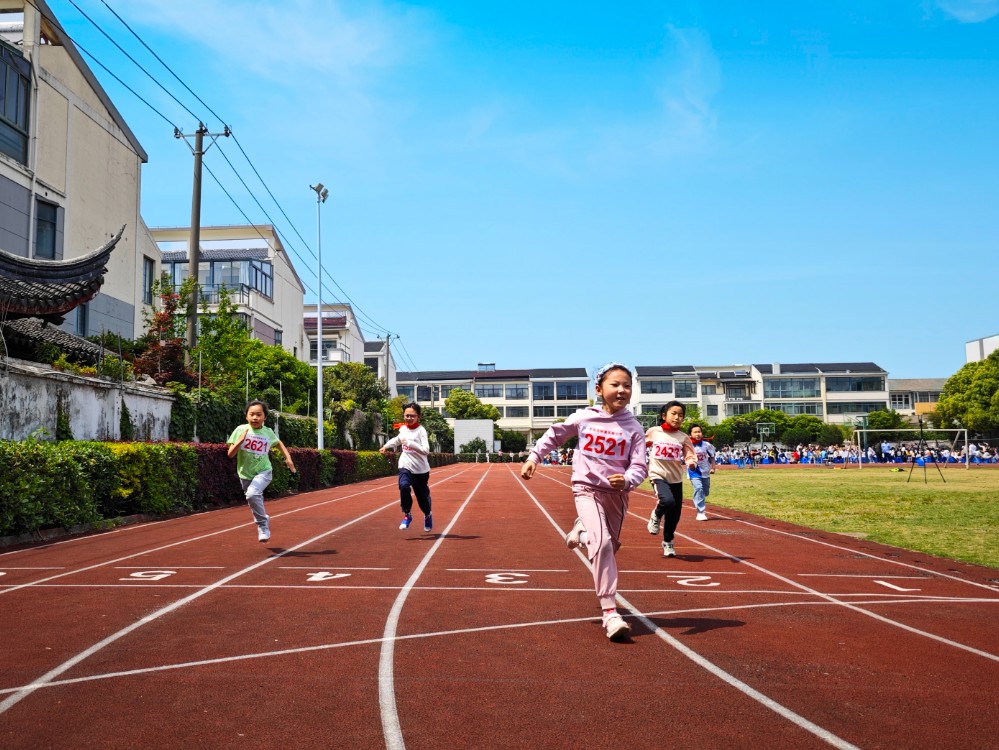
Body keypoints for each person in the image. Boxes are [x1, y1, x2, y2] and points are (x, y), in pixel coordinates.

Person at [520, 363, 647, 642]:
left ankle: (581, 531)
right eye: (615, 384)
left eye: (627, 385)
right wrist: (534, 458)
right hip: (586, 489)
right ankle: (610, 612)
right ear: (599, 389)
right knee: (601, 544)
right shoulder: (584, 418)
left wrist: (626, 480)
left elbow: (640, 467)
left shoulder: (634, 428)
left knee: (610, 546)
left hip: (616, 496)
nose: (622, 390)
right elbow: (555, 434)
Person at [227, 399, 296, 543]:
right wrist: (240, 440)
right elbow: (230, 454)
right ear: (246, 416)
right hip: (245, 474)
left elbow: (278, 443)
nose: (255, 418)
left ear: (264, 417)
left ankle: (263, 526)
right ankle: (263, 519)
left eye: (259, 415)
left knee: (252, 494)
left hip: (264, 471)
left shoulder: (267, 432)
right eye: (252, 414)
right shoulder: (240, 430)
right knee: (252, 499)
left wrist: (288, 458)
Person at [646, 401, 697, 557]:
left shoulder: (683, 437)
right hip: (658, 475)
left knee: (674, 515)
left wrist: (691, 462)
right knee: (667, 501)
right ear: (664, 416)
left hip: (675, 478)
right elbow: (639, 445)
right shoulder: (654, 432)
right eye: (673, 414)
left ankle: (668, 542)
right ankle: (655, 515)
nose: (677, 417)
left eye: (680, 415)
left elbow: (690, 454)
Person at [380, 402, 434, 532]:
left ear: (418, 416)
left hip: (421, 470)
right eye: (407, 415)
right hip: (405, 466)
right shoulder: (403, 429)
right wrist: (386, 446)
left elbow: (426, 450)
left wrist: (410, 443)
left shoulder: (421, 431)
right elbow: (397, 440)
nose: (409, 418)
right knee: (404, 486)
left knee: (422, 498)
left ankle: (427, 514)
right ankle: (407, 514)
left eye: (412, 416)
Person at [687, 424, 716, 521]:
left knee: (705, 492)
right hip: (694, 471)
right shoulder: (688, 445)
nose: (697, 434)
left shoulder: (706, 445)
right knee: (699, 488)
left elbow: (712, 457)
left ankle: (698, 497)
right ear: (690, 434)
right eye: (695, 432)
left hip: (705, 471)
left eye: (699, 432)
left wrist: (713, 468)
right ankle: (700, 512)